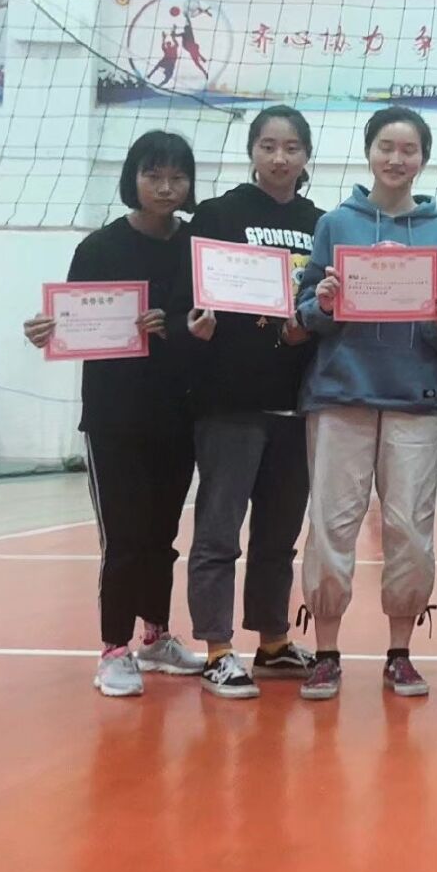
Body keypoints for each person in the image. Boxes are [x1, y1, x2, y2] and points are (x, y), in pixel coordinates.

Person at [22, 130, 205, 698]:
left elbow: (204, 323)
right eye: (154, 175)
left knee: (162, 536)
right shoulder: (99, 248)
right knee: (124, 537)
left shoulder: (197, 247)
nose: (166, 187)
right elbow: (71, 321)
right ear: (133, 178)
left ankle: (155, 636)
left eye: (177, 177)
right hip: (114, 418)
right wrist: (46, 330)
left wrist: (177, 328)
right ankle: (113, 649)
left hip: (179, 414)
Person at [295, 106, 437, 702]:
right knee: (331, 524)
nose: (396, 158)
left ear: (424, 158)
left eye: (408, 149)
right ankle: (326, 653)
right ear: (369, 152)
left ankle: (400, 653)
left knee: (410, 529)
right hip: (340, 393)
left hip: (415, 398)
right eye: (386, 147)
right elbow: (305, 312)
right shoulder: (335, 223)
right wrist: (323, 301)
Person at [178, 105, 322, 699]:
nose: (280, 157)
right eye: (268, 145)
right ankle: (216, 649)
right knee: (219, 531)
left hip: (297, 400)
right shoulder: (218, 214)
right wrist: (196, 324)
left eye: (291, 147)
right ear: (252, 152)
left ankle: (272, 640)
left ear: (306, 155)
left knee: (278, 536)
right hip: (231, 398)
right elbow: (188, 294)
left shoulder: (321, 223)